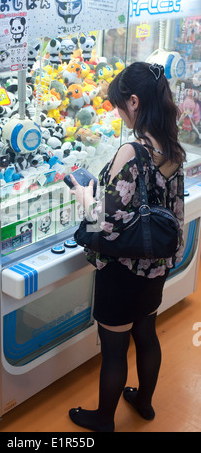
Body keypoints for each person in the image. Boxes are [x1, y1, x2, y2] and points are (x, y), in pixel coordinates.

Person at [68, 61, 186, 432]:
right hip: (155, 267)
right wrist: (167, 261)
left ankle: (104, 420)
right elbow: (176, 212)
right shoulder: (172, 148)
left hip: (122, 270)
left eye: (119, 105)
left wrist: (84, 195)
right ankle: (145, 403)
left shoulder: (132, 153)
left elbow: (105, 222)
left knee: (115, 349)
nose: (119, 113)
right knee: (147, 334)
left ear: (134, 102)